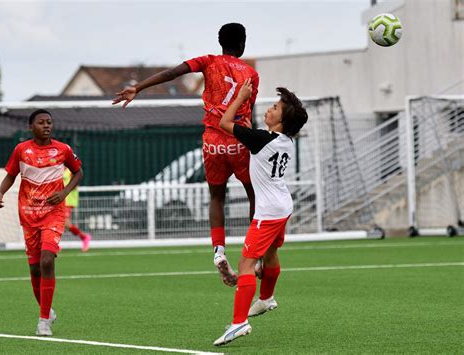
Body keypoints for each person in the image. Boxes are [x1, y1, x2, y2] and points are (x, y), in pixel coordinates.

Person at [112, 23, 259, 287]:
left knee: (216, 197)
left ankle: (218, 251)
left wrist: (139, 87)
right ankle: (255, 254)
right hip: (238, 140)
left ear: (220, 42)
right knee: (253, 193)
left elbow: (172, 72)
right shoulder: (250, 73)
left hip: (212, 142)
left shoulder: (208, 61)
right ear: (242, 44)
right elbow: (249, 110)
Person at [213, 79, 308, 346]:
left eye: (275, 108)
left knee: (246, 264)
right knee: (271, 253)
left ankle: (239, 323)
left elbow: (224, 123)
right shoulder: (287, 140)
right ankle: (266, 298)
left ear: (282, 120)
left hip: (268, 211)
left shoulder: (261, 139)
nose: (269, 109)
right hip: (282, 206)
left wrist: (241, 97)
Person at [0, 109, 83, 337]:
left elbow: (78, 172)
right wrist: (0, 193)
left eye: (49, 122)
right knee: (34, 267)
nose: (47, 126)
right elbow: (11, 174)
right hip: (28, 214)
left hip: (53, 213)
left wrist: (63, 193)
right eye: (41, 122)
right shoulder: (21, 150)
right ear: (30, 127)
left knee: (46, 261)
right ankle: (48, 311)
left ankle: (43, 321)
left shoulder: (63, 149)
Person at [63, 168, 91, 252]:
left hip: (67, 199)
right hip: (60, 199)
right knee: (57, 222)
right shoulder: (59, 168)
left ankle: (84, 237)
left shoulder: (70, 170)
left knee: (65, 223)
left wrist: (65, 190)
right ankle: (53, 245)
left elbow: (75, 183)